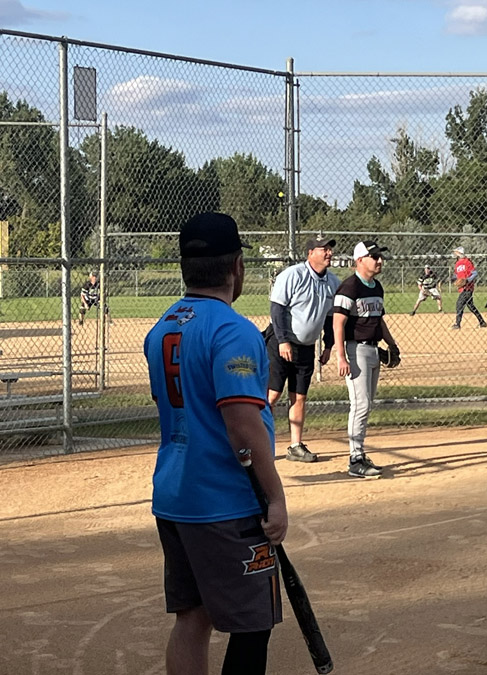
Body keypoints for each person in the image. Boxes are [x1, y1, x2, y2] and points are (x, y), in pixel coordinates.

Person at [144, 212, 287, 675]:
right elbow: (242, 426)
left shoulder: (162, 327)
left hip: (175, 495)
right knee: (252, 625)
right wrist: (274, 497)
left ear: (185, 268)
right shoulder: (233, 329)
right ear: (237, 267)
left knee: (193, 617)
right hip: (225, 503)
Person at [267, 235, 340, 463]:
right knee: (272, 395)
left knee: (299, 397)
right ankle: (262, 444)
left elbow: (330, 317)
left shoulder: (333, 282)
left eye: (330, 249)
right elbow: (277, 310)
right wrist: (283, 341)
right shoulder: (293, 275)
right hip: (280, 342)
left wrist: (328, 345)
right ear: (310, 253)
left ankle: (295, 446)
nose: (329, 253)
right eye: (324, 249)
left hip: (306, 347)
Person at [333, 241, 400, 478]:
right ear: (360, 260)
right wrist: (341, 357)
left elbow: (379, 320)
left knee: (367, 404)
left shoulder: (376, 287)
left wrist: (392, 344)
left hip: (373, 350)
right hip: (356, 350)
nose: (379, 260)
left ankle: (359, 453)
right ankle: (355, 459)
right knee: (360, 404)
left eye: (380, 256)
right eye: (374, 257)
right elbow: (338, 323)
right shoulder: (349, 287)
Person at [450, 246, 487, 329]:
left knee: (459, 304)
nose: (454, 254)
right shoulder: (457, 263)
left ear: (460, 253)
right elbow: (457, 275)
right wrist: (453, 278)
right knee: (471, 306)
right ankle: (482, 322)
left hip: (467, 288)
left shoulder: (467, 262)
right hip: (462, 288)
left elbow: (474, 273)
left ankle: (457, 324)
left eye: (456, 252)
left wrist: (467, 280)